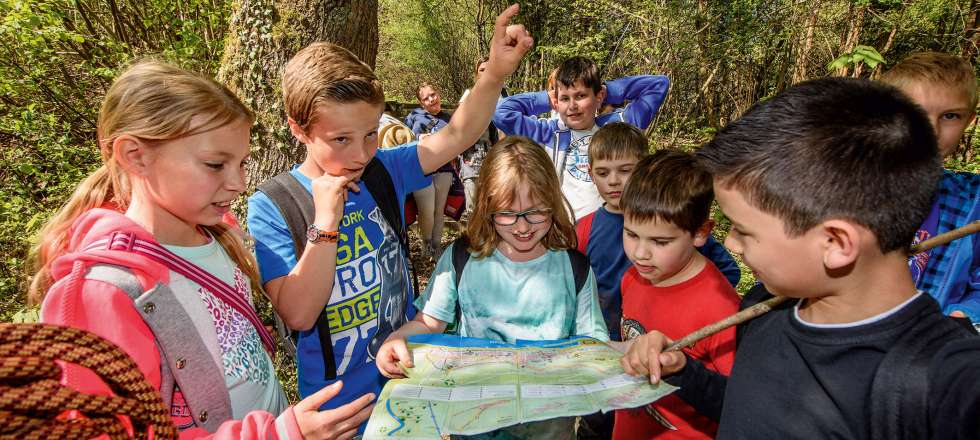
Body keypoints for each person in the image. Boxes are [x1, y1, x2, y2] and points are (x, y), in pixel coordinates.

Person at [621, 77, 980, 439]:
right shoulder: (763, 312)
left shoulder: (943, 385)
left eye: (744, 230)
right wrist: (683, 369)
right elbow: (747, 408)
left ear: (837, 243)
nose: (730, 243)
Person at [30, 60, 371, 439]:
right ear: (135, 155)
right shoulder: (103, 292)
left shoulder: (221, 235)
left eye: (241, 163)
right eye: (215, 164)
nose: (239, 183)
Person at [246, 4, 533, 431]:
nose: (360, 154)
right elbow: (300, 315)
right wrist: (326, 222)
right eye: (340, 139)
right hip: (340, 405)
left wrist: (493, 75)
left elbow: (458, 134)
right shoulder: (275, 203)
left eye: (369, 134)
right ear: (299, 129)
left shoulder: (385, 169)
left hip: (411, 373)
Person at [376, 136, 608, 439]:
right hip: (474, 421)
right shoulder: (461, 258)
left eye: (536, 212)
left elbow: (593, 345)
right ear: (487, 206)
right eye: (507, 213)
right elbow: (429, 322)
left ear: (553, 201)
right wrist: (398, 338)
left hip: (548, 424)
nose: (522, 227)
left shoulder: (574, 268)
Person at [610, 150, 739, 439]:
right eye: (631, 234)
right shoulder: (633, 277)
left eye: (660, 241)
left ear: (700, 233)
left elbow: (739, 404)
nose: (640, 253)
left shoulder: (721, 308)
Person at [576, 122, 740, 343]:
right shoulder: (585, 228)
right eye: (631, 234)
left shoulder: (674, 220)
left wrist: (688, 303)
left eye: (625, 171)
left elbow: (727, 272)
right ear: (591, 174)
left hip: (674, 337)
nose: (613, 181)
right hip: (614, 333)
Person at [493, 56, 670, 219]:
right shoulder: (548, 133)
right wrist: (549, 98)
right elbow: (501, 113)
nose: (572, 106)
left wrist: (606, 92)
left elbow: (658, 84)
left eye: (581, 96)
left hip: (617, 227)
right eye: (565, 99)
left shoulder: (619, 126)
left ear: (598, 96)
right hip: (568, 232)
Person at [880, 52, 980, 324]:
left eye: (950, 116)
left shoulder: (972, 203)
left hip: (927, 350)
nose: (931, 130)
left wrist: (960, 317)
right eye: (915, 113)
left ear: (969, 121)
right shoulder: (840, 189)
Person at [405, 82, 456, 259]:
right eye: (426, 98)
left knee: (439, 210)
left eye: (433, 94)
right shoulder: (414, 116)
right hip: (421, 171)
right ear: (421, 103)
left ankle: (436, 248)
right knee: (426, 210)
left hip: (444, 170)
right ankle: (426, 244)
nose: (432, 99)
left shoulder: (449, 119)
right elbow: (404, 137)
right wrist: (419, 137)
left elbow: (457, 141)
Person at [458, 56, 506, 219]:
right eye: (482, 70)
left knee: (494, 204)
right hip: (471, 160)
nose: (486, 73)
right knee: (472, 206)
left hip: (495, 160)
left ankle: (492, 241)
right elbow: (459, 127)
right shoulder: (468, 96)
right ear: (476, 74)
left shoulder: (502, 95)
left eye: (489, 69)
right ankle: (474, 241)